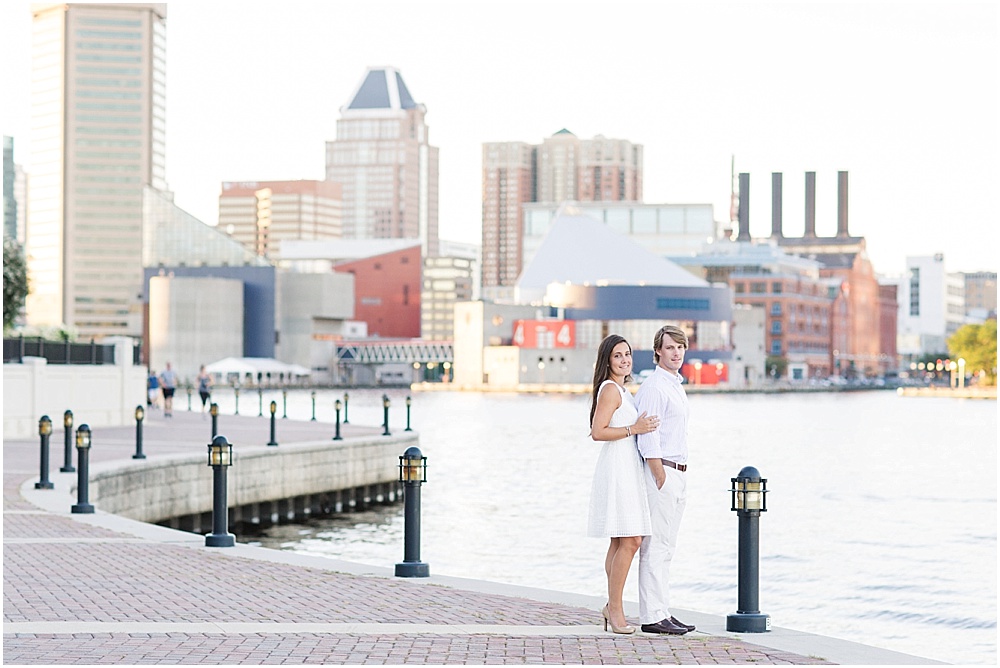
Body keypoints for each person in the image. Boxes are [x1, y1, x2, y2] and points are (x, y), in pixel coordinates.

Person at [587, 334, 660, 635]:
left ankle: (612, 605)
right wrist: (635, 428)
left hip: (627, 465)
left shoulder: (622, 390)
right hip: (617, 467)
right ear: (607, 360)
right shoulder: (610, 390)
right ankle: (615, 608)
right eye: (618, 355)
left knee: (620, 540)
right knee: (632, 540)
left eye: (627, 354)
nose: (625, 360)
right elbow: (597, 431)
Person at [634, 325, 696, 635]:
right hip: (663, 473)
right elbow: (648, 435)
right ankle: (651, 616)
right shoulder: (655, 386)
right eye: (670, 348)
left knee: (667, 547)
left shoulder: (674, 385)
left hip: (678, 472)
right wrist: (659, 474)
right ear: (658, 350)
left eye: (680, 348)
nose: (676, 353)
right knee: (655, 545)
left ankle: (662, 611)